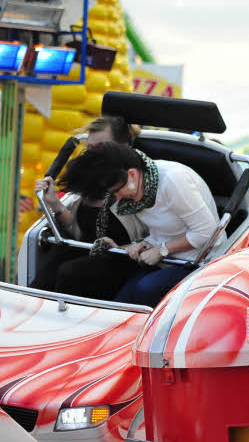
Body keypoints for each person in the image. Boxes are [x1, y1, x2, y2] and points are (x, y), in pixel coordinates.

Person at [57, 142, 223, 305]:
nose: (119, 198)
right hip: (164, 260)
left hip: (202, 259)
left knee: (146, 289)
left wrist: (163, 249)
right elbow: (161, 231)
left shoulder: (173, 180)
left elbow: (207, 233)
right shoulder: (137, 186)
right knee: (120, 304)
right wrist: (139, 245)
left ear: (133, 174)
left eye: (117, 191)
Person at [31, 117, 142, 292]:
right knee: (43, 279)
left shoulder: (137, 185)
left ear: (124, 147)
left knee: (69, 273)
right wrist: (54, 202)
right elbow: (80, 232)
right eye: (89, 149)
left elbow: (154, 235)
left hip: (123, 259)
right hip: (88, 251)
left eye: (100, 149)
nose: (93, 156)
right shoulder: (89, 182)